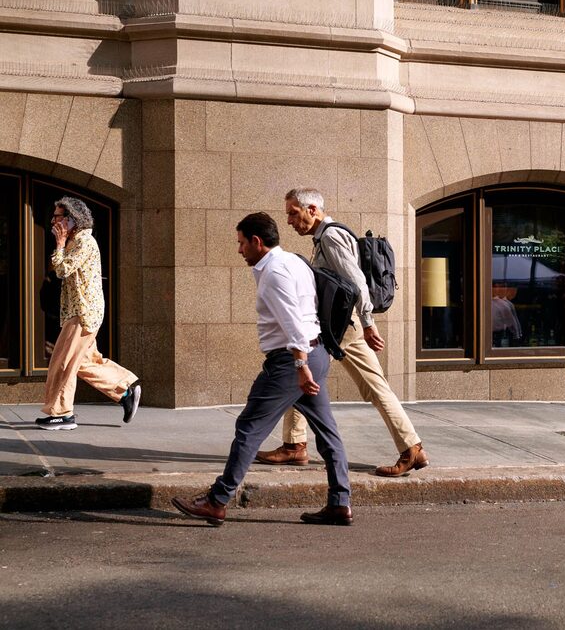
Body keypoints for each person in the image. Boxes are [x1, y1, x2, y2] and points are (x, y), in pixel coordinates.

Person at [172, 213, 352, 526]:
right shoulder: (293, 261)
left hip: (291, 361)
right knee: (327, 433)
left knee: (249, 428)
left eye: (242, 243)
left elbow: (292, 322)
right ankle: (340, 503)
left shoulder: (275, 272)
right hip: (316, 352)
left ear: (257, 242)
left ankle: (217, 500)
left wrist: (299, 366)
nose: (239, 250)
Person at [254, 188, 428, 477]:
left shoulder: (331, 237)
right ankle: (294, 444)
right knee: (303, 374)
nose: (288, 221)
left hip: (342, 329)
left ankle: (411, 449)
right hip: (337, 326)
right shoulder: (323, 237)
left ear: (312, 210)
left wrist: (369, 322)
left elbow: (357, 281)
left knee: (368, 386)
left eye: (293, 213)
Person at [35, 197, 140, 431]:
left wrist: (59, 243)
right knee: (82, 362)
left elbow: (62, 270)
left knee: (62, 363)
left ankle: (62, 414)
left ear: (73, 219)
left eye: (58, 216)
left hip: (82, 313)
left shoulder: (84, 242)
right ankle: (124, 390)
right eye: (54, 216)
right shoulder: (76, 241)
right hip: (80, 312)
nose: (54, 220)